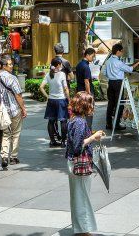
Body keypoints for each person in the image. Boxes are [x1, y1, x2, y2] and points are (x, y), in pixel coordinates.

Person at [65, 92, 104, 235]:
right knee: (82, 197)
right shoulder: (80, 122)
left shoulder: (74, 120)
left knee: (78, 196)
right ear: (85, 106)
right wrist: (93, 137)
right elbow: (78, 146)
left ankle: (80, 228)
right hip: (79, 163)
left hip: (73, 162)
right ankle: (84, 230)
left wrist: (92, 135)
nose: (92, 106)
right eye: (91, 103)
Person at [104, 43, 139, 130]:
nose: (122, 53)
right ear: (118, 51)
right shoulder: (118, 62)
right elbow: (130, 69)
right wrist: (138, 63)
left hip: (110, 83)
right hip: (118, 83)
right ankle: (117, 124)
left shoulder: (108, 61)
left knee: (110, 104)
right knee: (119, 104)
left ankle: (108, 124)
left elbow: (105, 73)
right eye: (121, 51)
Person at [0, 55, 27, 167]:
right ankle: (13, 157)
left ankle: (4, 156)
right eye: (9, 64)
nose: (11, 66)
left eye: (11, 64)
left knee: (5, 133)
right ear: (4, 66)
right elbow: (18, 95)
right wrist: (23, 108)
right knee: (15, 133)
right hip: (14, 109)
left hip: (2, 110)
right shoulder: (12, 78)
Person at [40, 57, 71, 148]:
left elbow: (41, 87)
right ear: (58, 65)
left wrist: (47, 96)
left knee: (51, 121)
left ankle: (52, 141)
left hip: (51, 100)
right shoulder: (62, 74)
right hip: (61, 100)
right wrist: (69, 99)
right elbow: (66, 88)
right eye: (60, 64)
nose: (61, 66)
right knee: (63, 121)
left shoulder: (48, 74)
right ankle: (63, 142)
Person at [76, 47, 96, 129]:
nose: (93, 58)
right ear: (87, 55)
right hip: (86, 93)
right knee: (89, 112)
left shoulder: (79, 65)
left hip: (79, 92)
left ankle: (81, 129)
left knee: (81, 113)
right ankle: (88, 130)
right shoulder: (86, 67)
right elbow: (86, 81)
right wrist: (89, 94)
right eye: (92, 56)